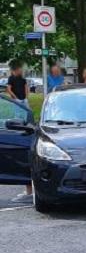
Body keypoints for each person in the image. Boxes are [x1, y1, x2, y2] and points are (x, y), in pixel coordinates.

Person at [7, 62, 32, 203]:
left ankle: (29, 190)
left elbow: (26, 86)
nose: (20, 71)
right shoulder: (11, 78)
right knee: (18, 115)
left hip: (23, 99)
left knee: (26, 114)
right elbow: (9, 89)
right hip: (17, 99)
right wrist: (14, 98)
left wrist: (26, 96)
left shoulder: (22, 79)